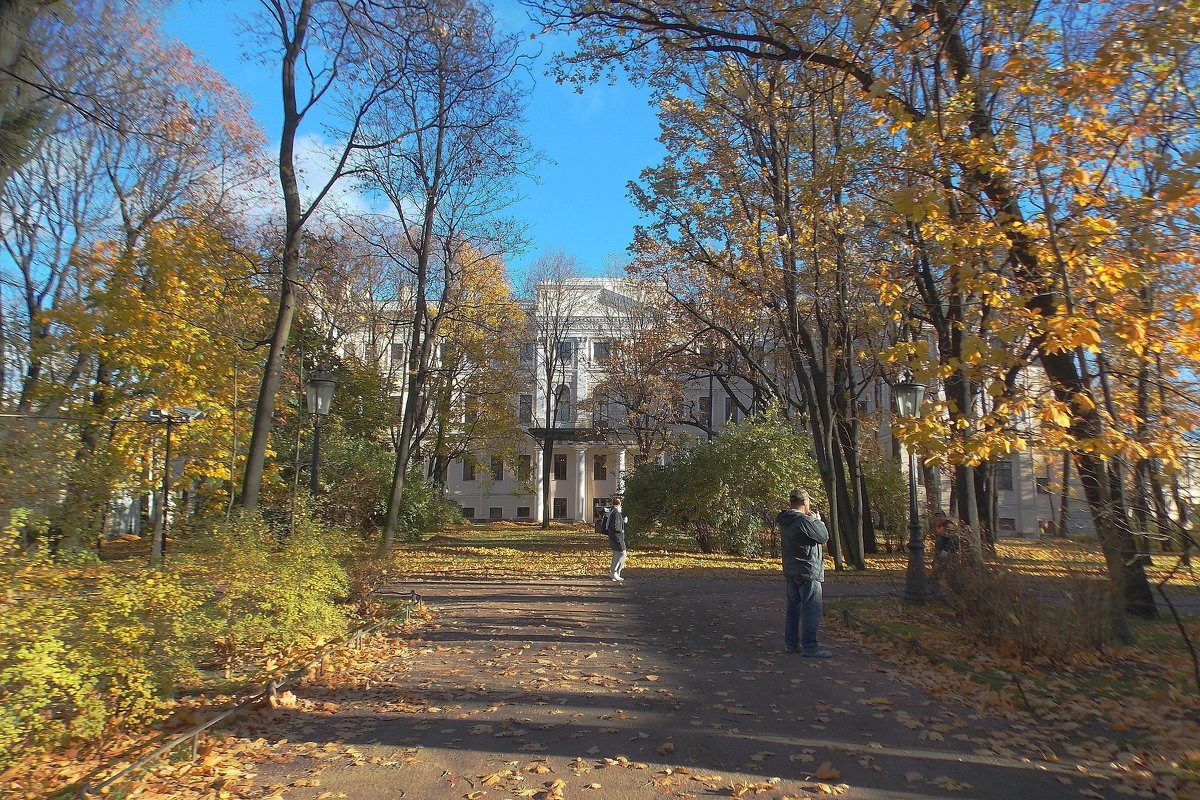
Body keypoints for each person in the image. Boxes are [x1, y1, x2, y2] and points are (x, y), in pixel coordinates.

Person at [777, 488, 831, 657]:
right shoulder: (804, 521)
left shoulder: (785, 519)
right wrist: (817, 521)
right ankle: (810, 647)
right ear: (805, 502)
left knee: (793, 608)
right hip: (808, 570)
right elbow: (823, 537)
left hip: (791, 569)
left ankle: (791, 644)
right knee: (811, 608)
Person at [607, 495, 628, 582]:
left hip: (612, 536)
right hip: (617, 537)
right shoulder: (616, 513)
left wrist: (622, 521)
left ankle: (613, 572)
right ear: (619, 503)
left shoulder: (612, 511)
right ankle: (615, 572)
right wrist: (622, 527)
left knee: (616, 554)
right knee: (622, 553)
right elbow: (615, 526)